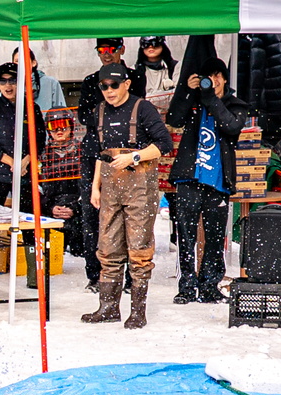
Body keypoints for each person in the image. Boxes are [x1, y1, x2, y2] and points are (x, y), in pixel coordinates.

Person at [82, 63, 173, 329]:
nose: (109, 91)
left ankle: (137, 311)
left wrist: (134, 156)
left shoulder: (142, 108)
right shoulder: (98, 112)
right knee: (107, 249)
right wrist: (95, 186)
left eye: (113, 85)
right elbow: (101, 154)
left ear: (127, 84)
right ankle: (108, 308)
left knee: (139, 251)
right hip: (110, 188)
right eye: (104, 86)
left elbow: (164, 144)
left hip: (140, 188)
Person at [166, 58, 248, 304]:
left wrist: (211, 96)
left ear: (223, 78)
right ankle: (187, 287)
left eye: (215, 76)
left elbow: (231, 126)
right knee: (186, 236)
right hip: (189, 178)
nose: (210, 81)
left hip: (218, 181)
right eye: (206, 76)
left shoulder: (236, 104)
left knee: (214, 238)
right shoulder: (193, 100)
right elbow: (174, 118)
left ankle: (210, 286)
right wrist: (187, 91)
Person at [77, 40, 146, 292]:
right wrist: (105, 112)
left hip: (128, 153)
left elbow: (137, 109)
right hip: (96, 150)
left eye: (111, 50)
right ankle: (95, 274)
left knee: (129, 216)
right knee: (92, 214)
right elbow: (84, 116)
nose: (106, 55)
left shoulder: (135, 77)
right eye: (101, 51)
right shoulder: (89, 82)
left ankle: (129, 277)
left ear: (122, 50)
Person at [0, 62, 46, 209]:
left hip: (25, 174)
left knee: (28, 221)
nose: (8, 86)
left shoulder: (32, 107)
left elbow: (39, 140)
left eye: (13, 81)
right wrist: (12, 162)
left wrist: (25, 161)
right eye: (3, 82)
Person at [40, 109, 84, 259]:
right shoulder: (43, 154)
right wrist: (50, 207)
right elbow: (36, 188)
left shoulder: (82, 151)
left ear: (71, 127)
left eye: (63, 125)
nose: (59, 131)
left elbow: (93, 185)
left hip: (79, 209)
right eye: (54, 127)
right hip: (51, 210)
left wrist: (75, 208)